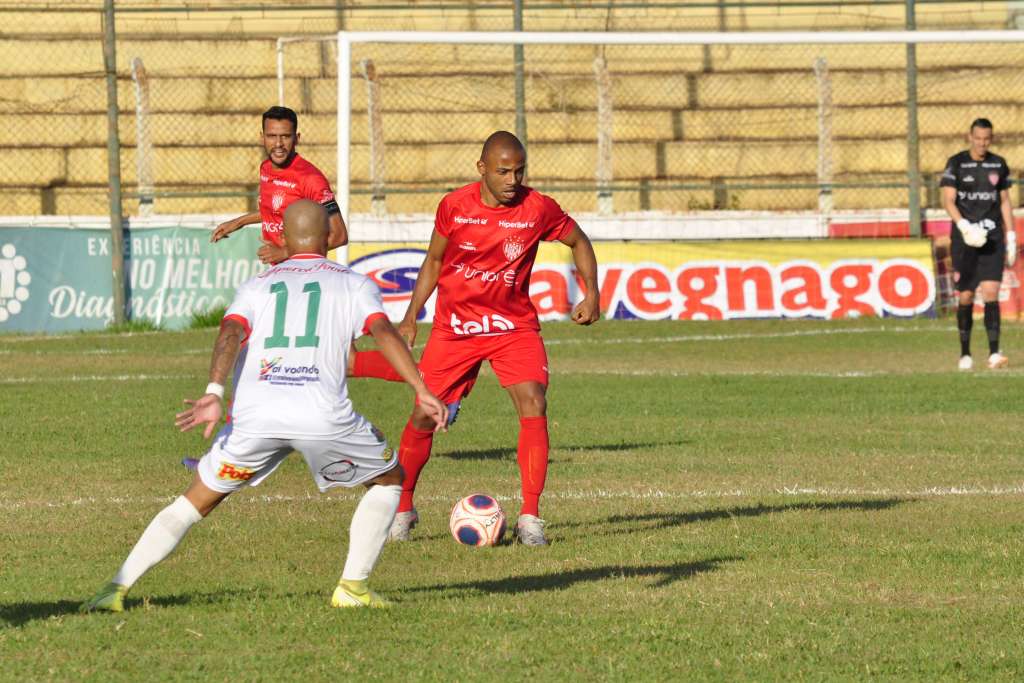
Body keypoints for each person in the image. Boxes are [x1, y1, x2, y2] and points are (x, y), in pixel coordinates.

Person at [81, 200, 448, 613]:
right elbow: (382, 332)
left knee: (195, 500)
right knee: (388, 479)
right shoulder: (353, 283)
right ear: (329, 236)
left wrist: (214, 392)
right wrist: (421, 387)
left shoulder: (257, 285)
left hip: (255, 418)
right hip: (322, 416)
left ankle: (114, 588)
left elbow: (229, 333)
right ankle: (352, 587)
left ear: (283, 239)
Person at [387, 131, 600, 546]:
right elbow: (434, 260)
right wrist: (411, 317)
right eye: (503, 170)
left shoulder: (537, 208)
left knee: (534, 401)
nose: (512, 179)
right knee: (422, 415)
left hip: (512, 326)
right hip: (456, 329)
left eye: (519, 170)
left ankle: (530, 519)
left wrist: (592, 292)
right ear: (481, 168)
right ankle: (403, 510)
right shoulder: (454, 206)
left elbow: (578, 240)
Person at [211, 105, 402, 383]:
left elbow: (338, 235)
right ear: (262, 137)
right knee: (342, 360)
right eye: (272, 136)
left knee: (253, 344)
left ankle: (432, 381)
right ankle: (433, 383)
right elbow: (275, 211)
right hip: (282, 276)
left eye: (285, 136)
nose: (278, 144)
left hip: (308, 276)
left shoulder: (310, 179)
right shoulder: (266, 169)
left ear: (296, 138)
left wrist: (286, 251)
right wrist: (239, 222)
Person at [940, 118, 1017, 371]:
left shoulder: (998, 163)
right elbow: (948, 200)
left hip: (992, 236)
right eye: (978, 138)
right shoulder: (957, 163)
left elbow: (1004, 200)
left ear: (991, 138)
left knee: (992, 292)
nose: (982, 143)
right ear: (970, 136)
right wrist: (963, 226)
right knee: (966, 295)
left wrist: (1012, 234)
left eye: (987, 138)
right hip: (965, 238)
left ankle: (994, 353)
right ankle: (965, 353)